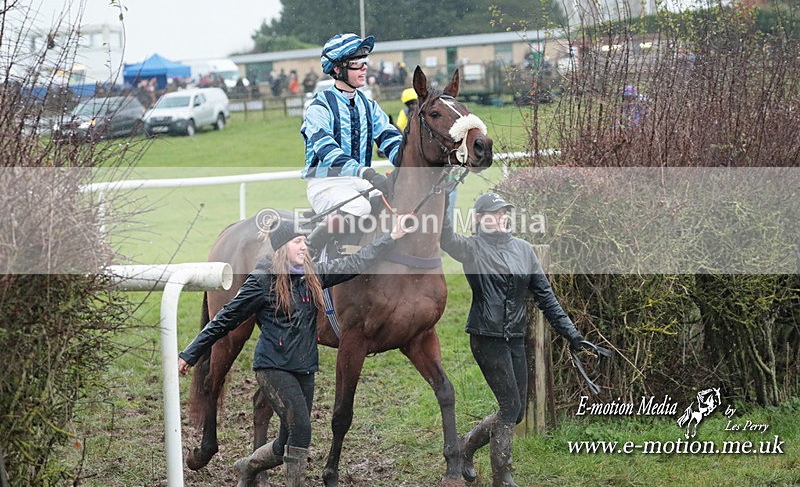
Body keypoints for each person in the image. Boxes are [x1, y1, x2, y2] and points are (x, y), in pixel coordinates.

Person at [178, 214, 412, 487]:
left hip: (305, 368)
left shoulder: (313, 274)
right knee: (302, 431)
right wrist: (190, 354)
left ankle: (248, 465)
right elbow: (225, 317)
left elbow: (356, 262)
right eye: (298, 242)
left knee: (286, 441)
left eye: (304, 241)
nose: (304, 246)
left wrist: (391, 236)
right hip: (273, 368)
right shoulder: (261, 282)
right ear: (281, 248)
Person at [440, 192, 586, 487]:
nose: (500, 218)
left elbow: (547, 297)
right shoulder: (471, 248)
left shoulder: (524, 249)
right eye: (493, 213)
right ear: (479, 218)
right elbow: (444, 237)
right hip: (486, 337)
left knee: (517, 412)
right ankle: (502, 478)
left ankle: (465, 446)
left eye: (504, 212)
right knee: (509, 407)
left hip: (515, 338)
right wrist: (446, 194)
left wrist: (573, 334)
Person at [301, 33, 403, 252]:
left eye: (364, 62)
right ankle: (309, 257)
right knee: (359, 207)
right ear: (337, 69)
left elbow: (389, 137)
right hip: (326, 182)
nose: (364, 68)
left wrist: (408, 161)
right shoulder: (319, 107)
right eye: (357, 63)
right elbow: (327, 150)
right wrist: (366, 172)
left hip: (359, 181)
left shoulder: (368, 105)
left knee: (394, 202)